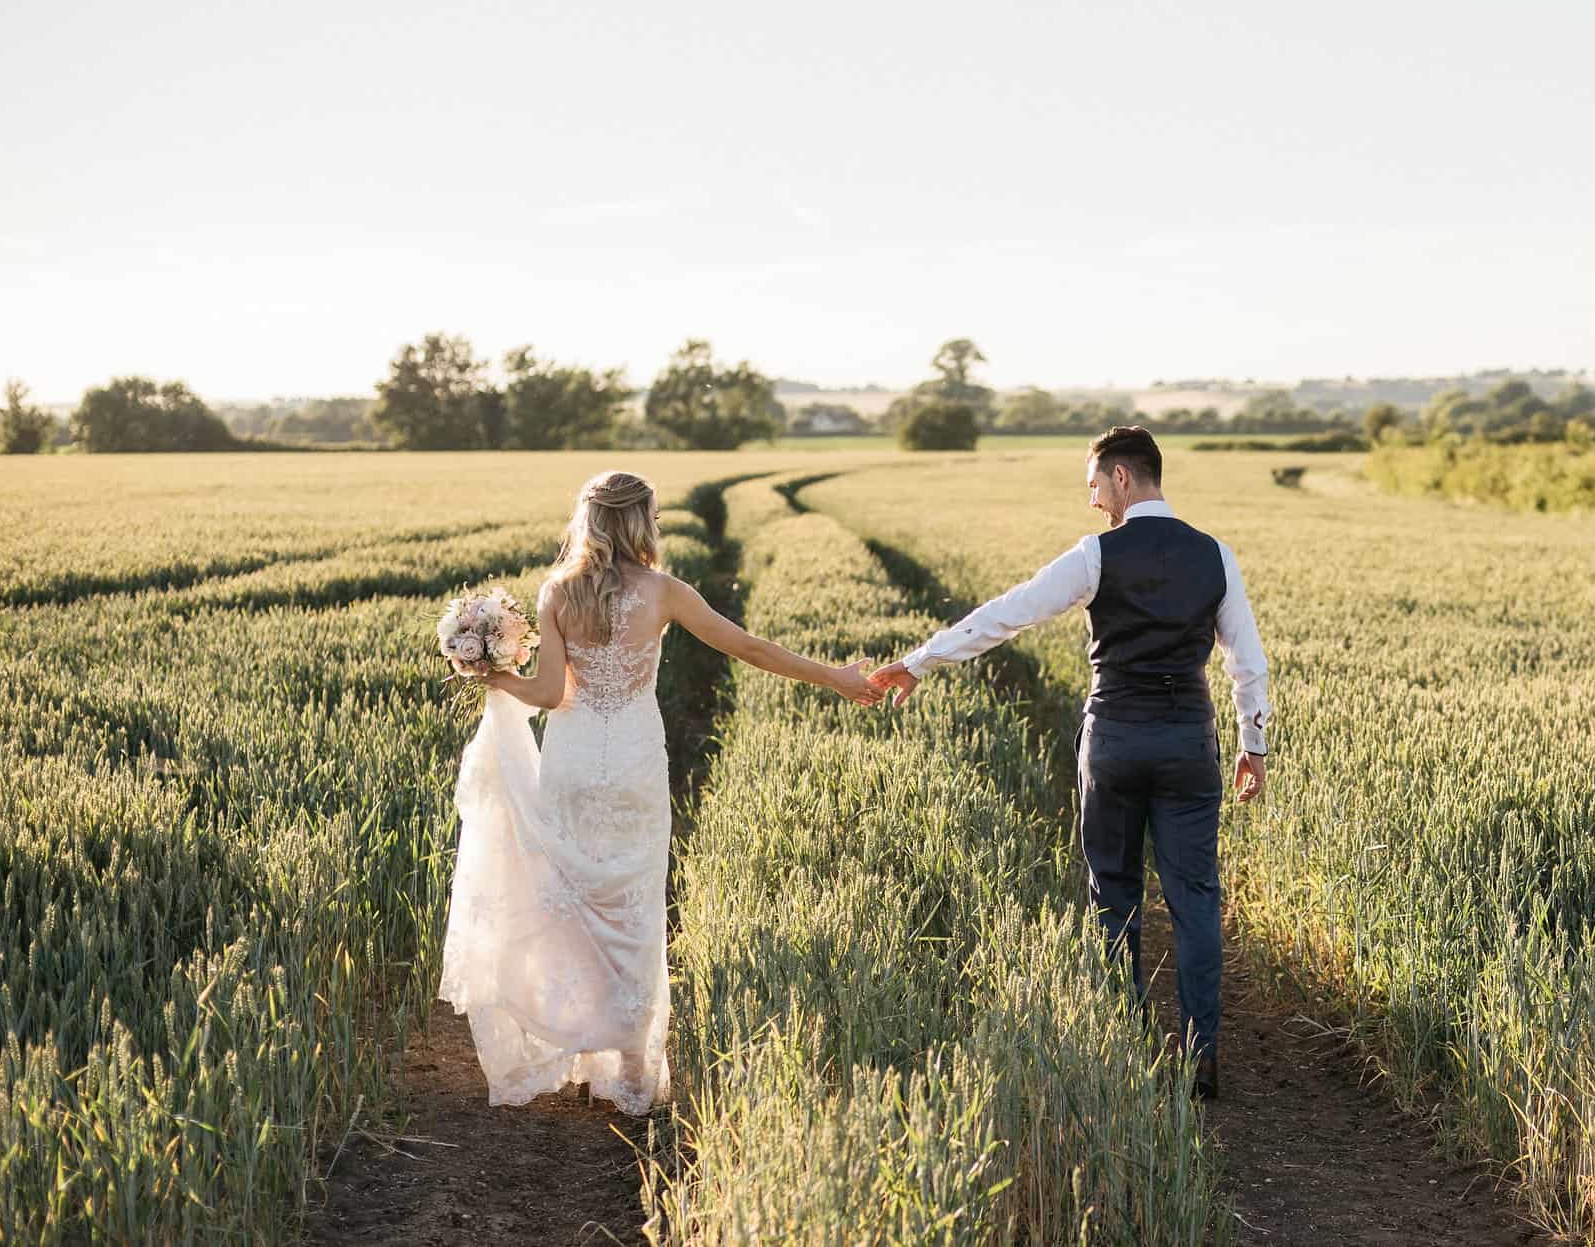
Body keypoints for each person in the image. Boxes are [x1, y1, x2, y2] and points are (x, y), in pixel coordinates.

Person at [438, 470, 879, 1114]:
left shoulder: (557, 592)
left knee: (574, 899)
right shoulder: (666, 593)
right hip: (635, 766)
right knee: (633, 907)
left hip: (573, 758)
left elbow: (548, 693)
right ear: (642, 522)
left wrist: (492, 674)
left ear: (585, 520)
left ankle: (583, 1048)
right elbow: (750, 648)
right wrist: (834, 677)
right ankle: (633, 1064)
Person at [869, 426, 1270, 1099]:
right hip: (1187, 744)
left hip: (1113, 740)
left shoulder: (1096, 556)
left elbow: (1005, 616)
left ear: (1121, 477)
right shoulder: (1216, 556)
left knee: (1113, 895)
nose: (1091, 501)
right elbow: (1246, 663)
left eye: (1093, 484)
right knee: (1196, 899)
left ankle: (1130, 1047)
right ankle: (1202, 1055)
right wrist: (1252, 743)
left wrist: (918, 662)